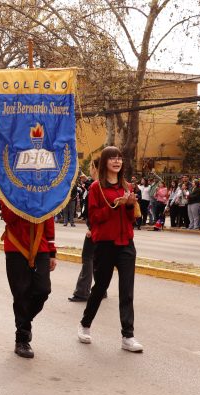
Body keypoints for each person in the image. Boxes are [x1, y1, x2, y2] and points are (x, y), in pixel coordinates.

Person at [77, 146, 143, 353]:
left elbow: (132, 218)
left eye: (119, 158)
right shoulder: (96, 188)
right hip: (105, 244)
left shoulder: (127, 186)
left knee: (127, 291)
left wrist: (129, 205)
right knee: (100, 287)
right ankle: (85, 324)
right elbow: (93, 217)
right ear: (105, 162)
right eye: (112, 158)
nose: (117, 161)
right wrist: (114, 204)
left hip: (126, 244)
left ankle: (128, 336)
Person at [2, 194, 57, 359]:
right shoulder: (9, 190)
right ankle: (22, 339)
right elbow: (8, 217)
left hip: (40, 246)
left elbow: (48, 218)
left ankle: (24, 322)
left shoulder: (43, 190)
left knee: (43, 290)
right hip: (15, 247)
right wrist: (24, 198)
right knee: (21, 294)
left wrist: (52, 251)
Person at [69, 158, 100, 303]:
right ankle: (100, 289)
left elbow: (95, 210)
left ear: (96, 168)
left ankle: (82, 292)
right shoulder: (105, 184)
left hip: (95, 229)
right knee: (97, 259)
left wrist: (93, 228)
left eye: (91, 166)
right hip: (100, 229)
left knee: (88, 258)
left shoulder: (96, 186)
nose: (90, 170)